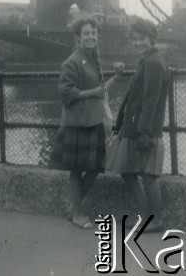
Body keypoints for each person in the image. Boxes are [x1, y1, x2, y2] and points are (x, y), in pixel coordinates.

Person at [106, 18, 170, 232]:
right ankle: (149, 216)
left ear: (152, 38)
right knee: (129, 170)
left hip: (144, 131)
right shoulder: (150, 61)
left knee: (147, 176)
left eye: (142, 39)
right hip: (137, 129)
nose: (138, 43)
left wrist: (143, 132)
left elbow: (149, 101)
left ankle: (155, 219)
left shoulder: (152, 63)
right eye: (135, 39)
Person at [49, 17, 108, 229]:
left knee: (94, 167)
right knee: (77, 170)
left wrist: (117, 76)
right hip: (79, 123)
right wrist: (93, 92)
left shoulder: (91, 59)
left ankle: (74, 207)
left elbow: (100, 91)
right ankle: (77, 213)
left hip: (93, 121)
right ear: (78, 37)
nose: (91, 37)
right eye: (87, 33)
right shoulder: (73, 61)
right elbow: (65, 93)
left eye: (94, 33)